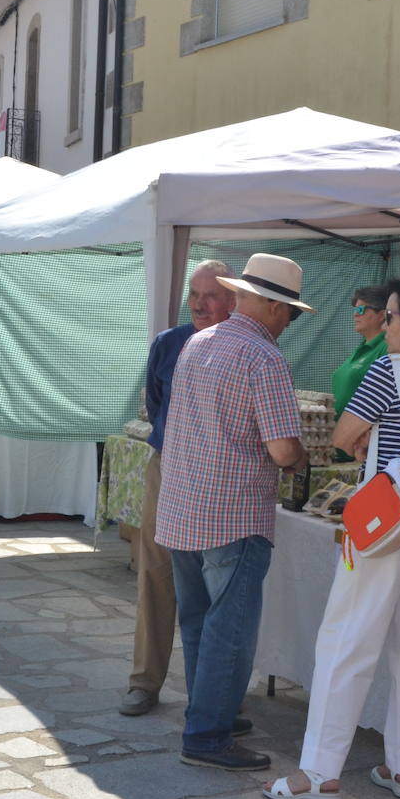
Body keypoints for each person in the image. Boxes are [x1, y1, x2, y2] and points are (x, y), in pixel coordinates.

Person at [264, 278, 400, 799]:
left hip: (391, 511)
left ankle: (319, 773)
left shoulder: (389, 369)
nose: (387, 326)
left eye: (392, 317)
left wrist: (367, 438)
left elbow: (341, 434)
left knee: (346, 638)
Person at [155, 253, 311, 772]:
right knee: (230, 630)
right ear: (268, 306)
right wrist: (304, 456)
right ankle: (207, 734)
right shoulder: (263, 359)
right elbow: (284, 450)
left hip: (182, 506)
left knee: (201, 623)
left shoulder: (198, 343)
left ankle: (208, 714)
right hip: (234, 513)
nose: (289, 320)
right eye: (288, 310)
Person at [119, 259, 235, 717]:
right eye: (194, 294)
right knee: (156, 572)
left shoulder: (243, 347)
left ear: (233, 300)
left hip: (220, 476)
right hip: (168, 467)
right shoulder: (168, 344)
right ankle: (145, 681)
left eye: (212, 295)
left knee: (214, 584)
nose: (201, 304)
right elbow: (155, 405)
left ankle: (209, 695)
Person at [330, 285, 389, 415]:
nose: (355, 314)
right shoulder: (362, 348)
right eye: (355, 309)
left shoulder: (386, 347)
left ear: (381, 315)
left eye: (361, 309)